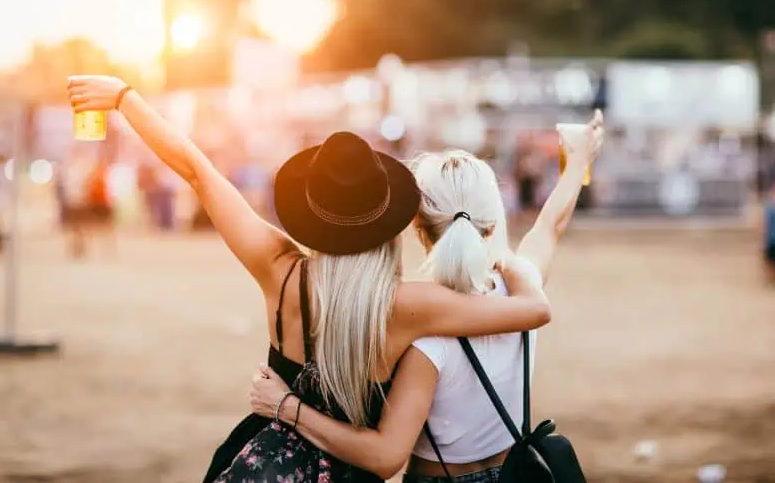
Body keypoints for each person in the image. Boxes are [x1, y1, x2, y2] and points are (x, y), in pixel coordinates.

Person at [67, 75, 554, 483]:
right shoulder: (409, 305)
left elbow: (198, 171)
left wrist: (124, 98)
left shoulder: (279, 268)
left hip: (262, 465)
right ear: (390, 222)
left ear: (311, 213)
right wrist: (508, 259)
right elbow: (534, 310)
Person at [247, 112, 604, 482]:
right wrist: (579, 159)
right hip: (516, 473)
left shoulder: (423, 333)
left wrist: (286, 407)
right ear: (493, 222)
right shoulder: (519, 289)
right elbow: (550, 226)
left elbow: (386, 454)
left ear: (417, 226)